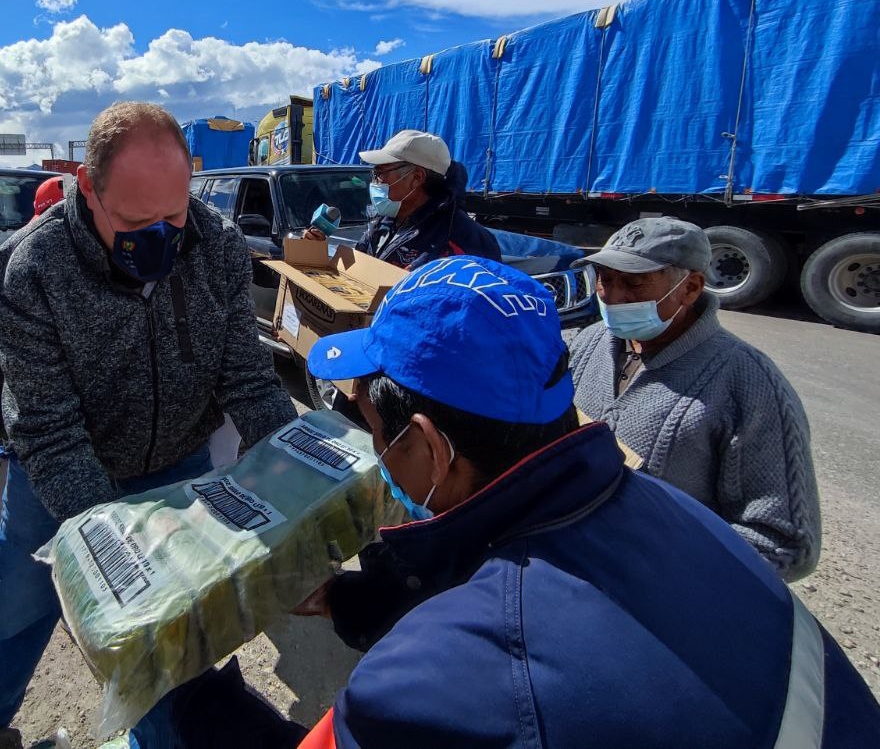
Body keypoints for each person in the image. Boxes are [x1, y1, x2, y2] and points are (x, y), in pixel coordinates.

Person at [148, 255, 880, 749]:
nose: (372, 450)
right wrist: (353, 599)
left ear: (430, 446)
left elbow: (494, 652)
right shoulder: (674, 512)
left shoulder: (440, 677)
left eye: (371, 426)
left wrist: (180, 690)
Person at [0, 102, 296, 748]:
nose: (163, 237)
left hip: (180, 464)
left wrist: (303, 467)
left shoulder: (216, 242)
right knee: (19, 611)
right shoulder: (28, 269)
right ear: (88, 188)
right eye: (137, 223)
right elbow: (49, 430)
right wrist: (112, 545)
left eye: (173, 216)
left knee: (185, 628)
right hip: (58, 478)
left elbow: (245, 377)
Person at [570, 217, 821, 581]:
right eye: (605, 280)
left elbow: (785, 544)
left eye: (634, 283)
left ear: (690, 288)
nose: (613, 297)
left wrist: (651, 560)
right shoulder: (589, 343)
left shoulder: (748, 382)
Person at [304, 129, 501, 265]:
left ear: (416, 177)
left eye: (381, 173)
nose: (375, 182)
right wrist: (317, 253)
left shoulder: (464, 239)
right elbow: (358, 269)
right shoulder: (384, 222)